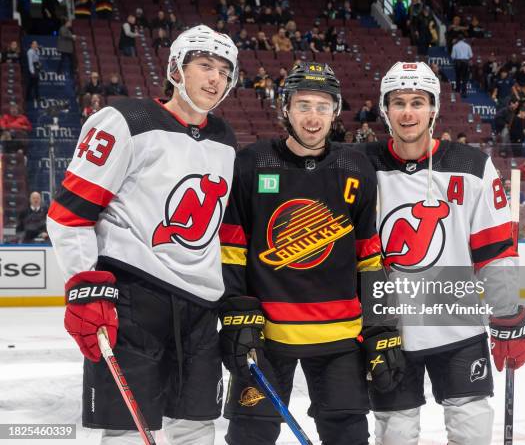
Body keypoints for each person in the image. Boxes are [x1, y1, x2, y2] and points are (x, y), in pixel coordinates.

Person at [46, 25, 240, 445]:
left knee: (196, 426)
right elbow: (69, 214)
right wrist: (85, 287)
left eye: (225, 72)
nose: (215, 80)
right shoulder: (124, 120)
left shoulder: (225, 138)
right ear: (176, 69)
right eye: (205, 66)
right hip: (135, 298)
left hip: (201, 308)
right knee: (127, 430)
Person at [219, 61, 401, 445]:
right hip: (266, 333)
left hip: (340, 335)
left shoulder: (356, 167)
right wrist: (237, 310)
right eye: (303, 105)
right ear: (285, 108)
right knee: (249, 436)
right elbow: (232, 248)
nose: (313, 117)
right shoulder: (252, 164)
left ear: (335, 111)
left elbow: (370, 258)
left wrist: (381, 329)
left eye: (322, 106)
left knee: (348, 436)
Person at [356, 61, 525, 445]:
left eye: (418, 102)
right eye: (398, 102)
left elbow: (496, 250)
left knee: (471, 432)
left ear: (433, 108)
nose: (408, 112)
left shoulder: (471, 165)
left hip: (458, 326)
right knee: (395, 435)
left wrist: (507, 315)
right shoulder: (360, 165)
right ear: (384, 109)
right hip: (389, 331)